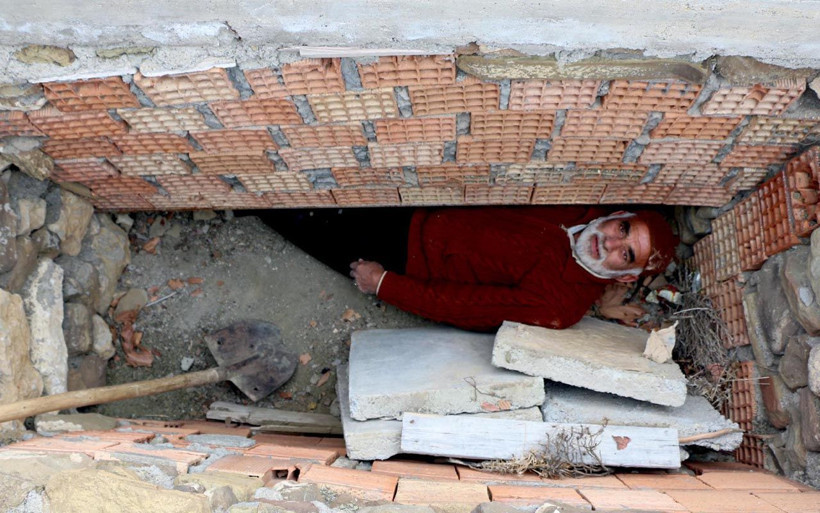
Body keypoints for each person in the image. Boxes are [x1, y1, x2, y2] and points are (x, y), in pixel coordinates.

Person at [348, 206, 677, 332]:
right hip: (413, 201)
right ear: (618, 214)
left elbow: (462, 306)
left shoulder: (559, 304)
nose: (610, 243)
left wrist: (382, 284)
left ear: (627, 276)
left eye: (626, 254)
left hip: (406, 256)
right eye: (621, 229)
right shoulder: (582, 206)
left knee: (302, 220)